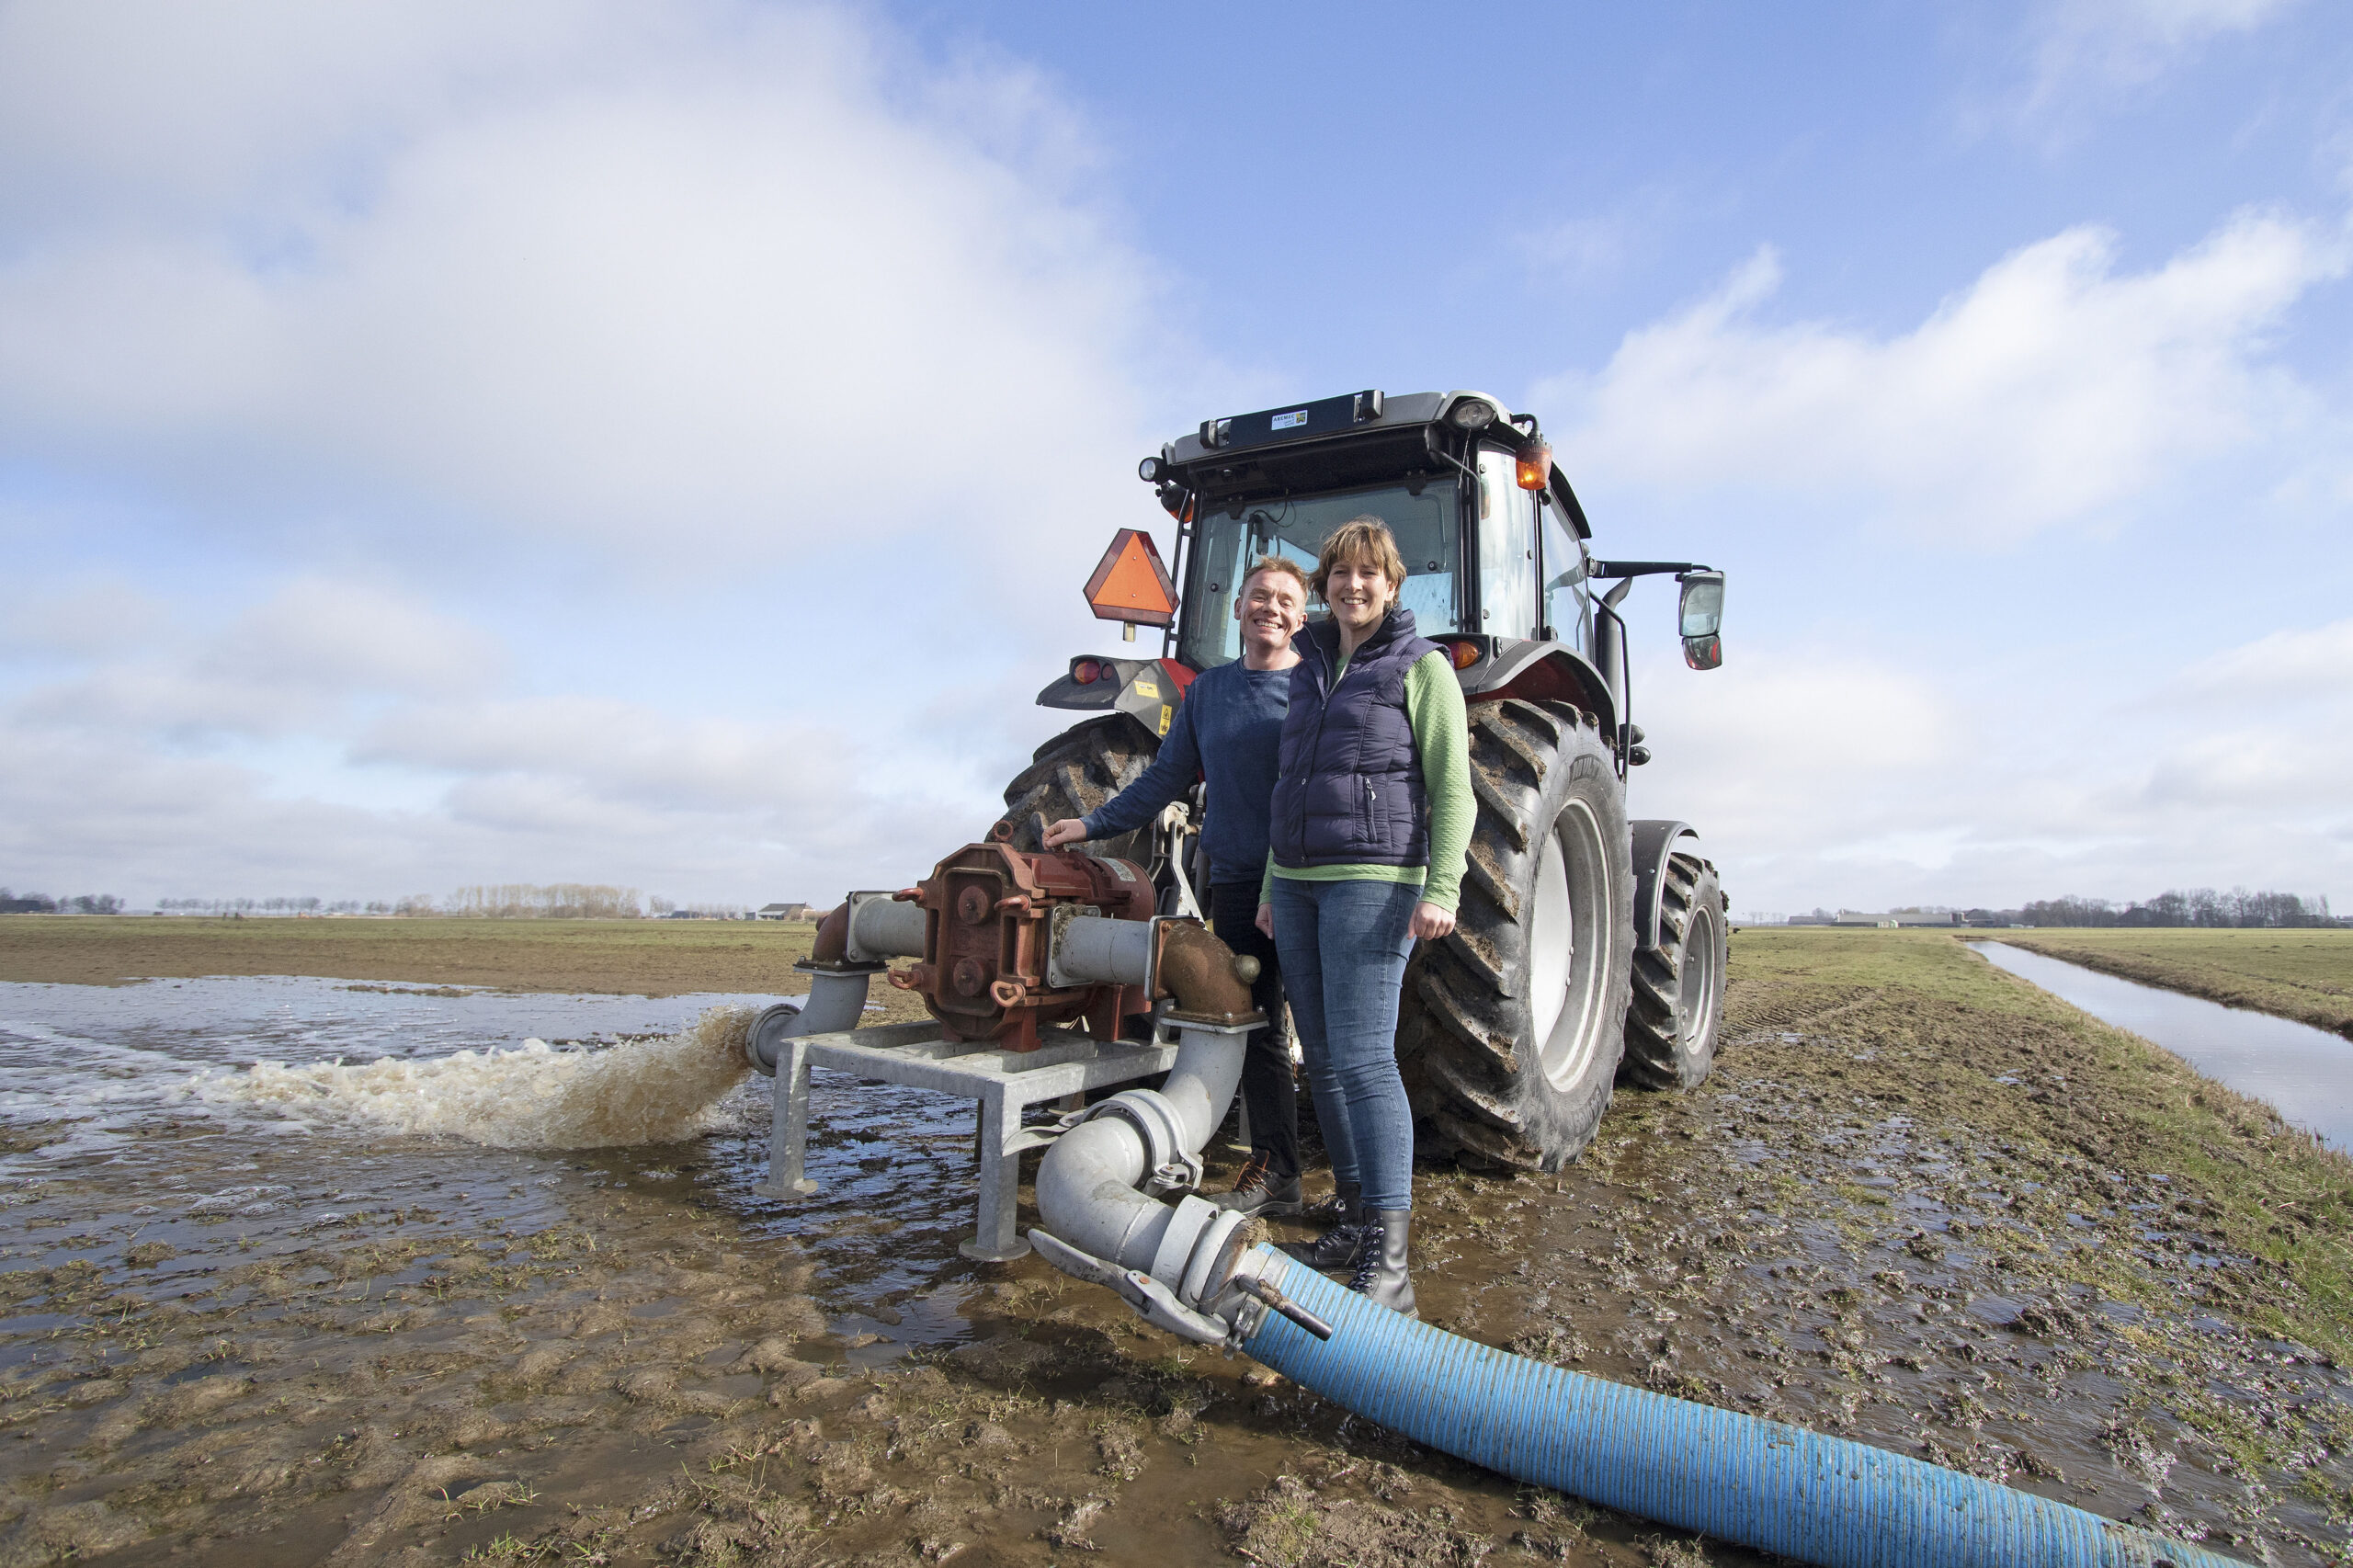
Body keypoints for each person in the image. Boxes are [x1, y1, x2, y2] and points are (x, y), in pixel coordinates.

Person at [1042, 556, 1311, 1217]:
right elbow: (1165, 781)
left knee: (1331, 1031)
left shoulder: (1317, 689)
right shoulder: (1209, 693)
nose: (1268, 608)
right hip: (1238, 880)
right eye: (1257, 596)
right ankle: (1277, 1167)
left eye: (1283, 600)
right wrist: (1090, 823)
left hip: (1309, 882)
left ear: (1302, 617)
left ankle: (1361, 1189)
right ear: (1238, 608)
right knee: (1257, 1020)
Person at [1256, 517, 1472, 1318]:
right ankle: (1350, 1220)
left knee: (1363, 1058)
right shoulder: (1310, 665)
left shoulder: (1422, 668)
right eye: (1340, 573)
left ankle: (1391, 1266)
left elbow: (1453, 787)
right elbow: (1291, 786)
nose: (1353, 586)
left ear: (1392, 585)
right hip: (1304, 884)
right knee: (1327, 1060)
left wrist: (1441, 888)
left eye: (1368, 574)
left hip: (1374, 882)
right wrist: (1276, 886)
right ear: (1327, 585)